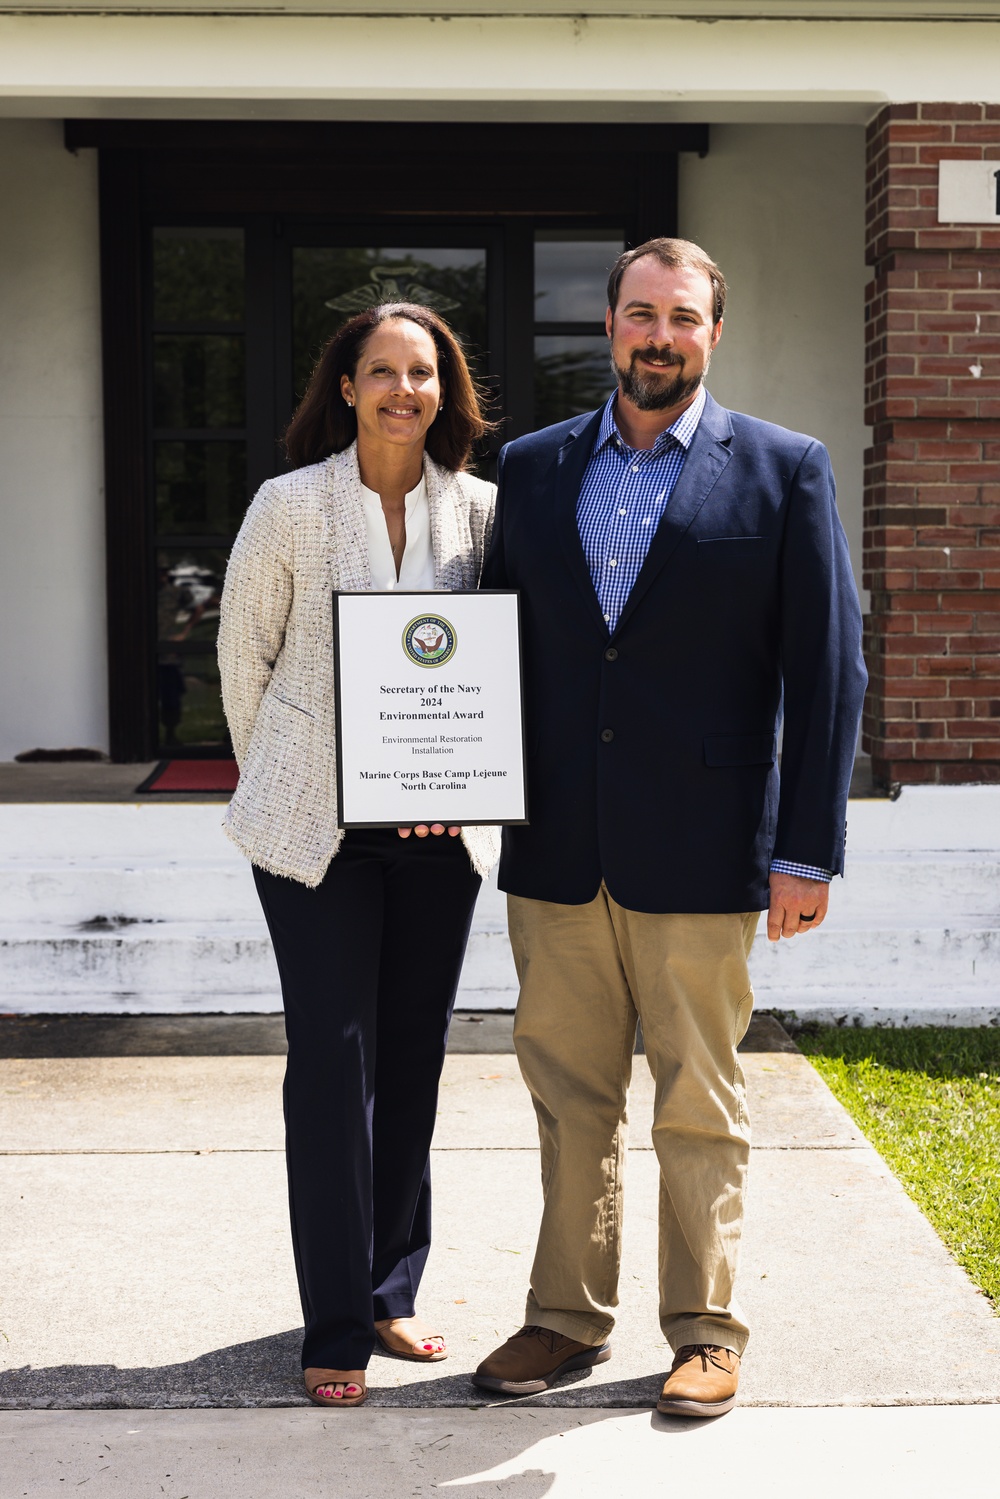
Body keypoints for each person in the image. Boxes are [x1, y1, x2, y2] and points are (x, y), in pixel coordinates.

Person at [472, 238, 867, 1418]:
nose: (658, 336)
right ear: (607, 326)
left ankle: (705, 1327)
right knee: (567, 1094)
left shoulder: (784, 469)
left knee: (700, 1098)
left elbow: (826, 667)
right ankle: (562, 1315)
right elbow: (495, 643)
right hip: (555, 846)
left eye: (681, 317)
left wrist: (805, 848)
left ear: (712, 330)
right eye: (639, 314)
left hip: (704, 844)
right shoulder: (532, 466)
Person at [218, 302, 499, 1409]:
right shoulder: (289, 506)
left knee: (413, 1058)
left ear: (445, 388)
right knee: (333, 1066)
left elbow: (488, 670)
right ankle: (333, 1319)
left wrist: (454, 784)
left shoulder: (480, 511)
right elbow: (245, 662)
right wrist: (300, 772)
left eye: (421, 372)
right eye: (379, 371)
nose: (401, 390)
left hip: (441, 839)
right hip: (315, 834)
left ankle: (391, 1288)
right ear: (345, 386)